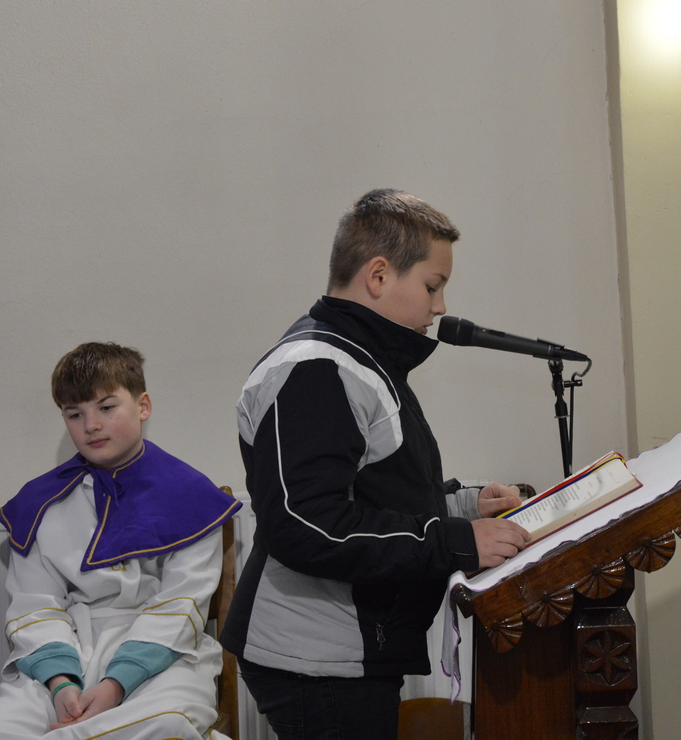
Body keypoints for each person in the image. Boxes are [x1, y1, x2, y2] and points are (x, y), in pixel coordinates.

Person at [222, 188, 531, 740]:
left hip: (342, 649)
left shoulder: (356, 359)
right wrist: (457, 542)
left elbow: (375, 491)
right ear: (379, 275)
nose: (440, 306)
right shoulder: (316, 369)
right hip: (317, 658)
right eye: (433, 286)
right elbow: (306, 524)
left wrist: (466, 505)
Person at [0, 342, 241, 740]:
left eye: (107, 407)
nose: (91, 425)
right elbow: (34, 605)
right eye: (75, 414)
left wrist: (116, 684)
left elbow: (181, 604)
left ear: (143, 406)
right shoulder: (39, 504)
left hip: (163, 658)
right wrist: (61, 684)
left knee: (167, 723)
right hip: (67, 657)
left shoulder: (190, 495)